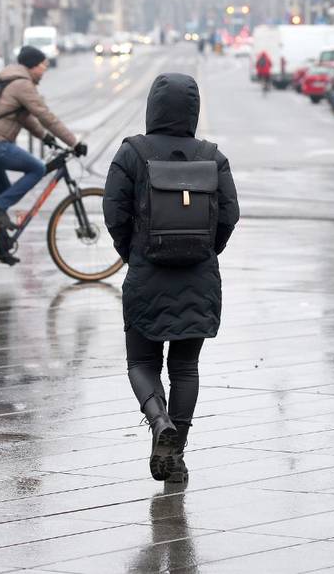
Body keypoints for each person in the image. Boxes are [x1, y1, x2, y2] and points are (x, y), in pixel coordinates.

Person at [103, 73, 239, 484]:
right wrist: (204, 251)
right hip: (197, 278)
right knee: (185, 368)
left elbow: (114, 212)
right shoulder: (212, 157)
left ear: (152, 107)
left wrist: (134, 252)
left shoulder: (132, 154)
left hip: (147, 273)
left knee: (141, 360)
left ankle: (158, 420)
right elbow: (229, 215)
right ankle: (176, 456)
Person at [0, 46, 86, 265]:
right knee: (37, 169)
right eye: (43, 66)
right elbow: (45, 116)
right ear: (32, 65)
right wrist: (74, 142)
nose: (44, 70)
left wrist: (46, 138)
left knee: (2, 193)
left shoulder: (8, 80)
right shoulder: (23, 84)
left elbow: (24, 118)